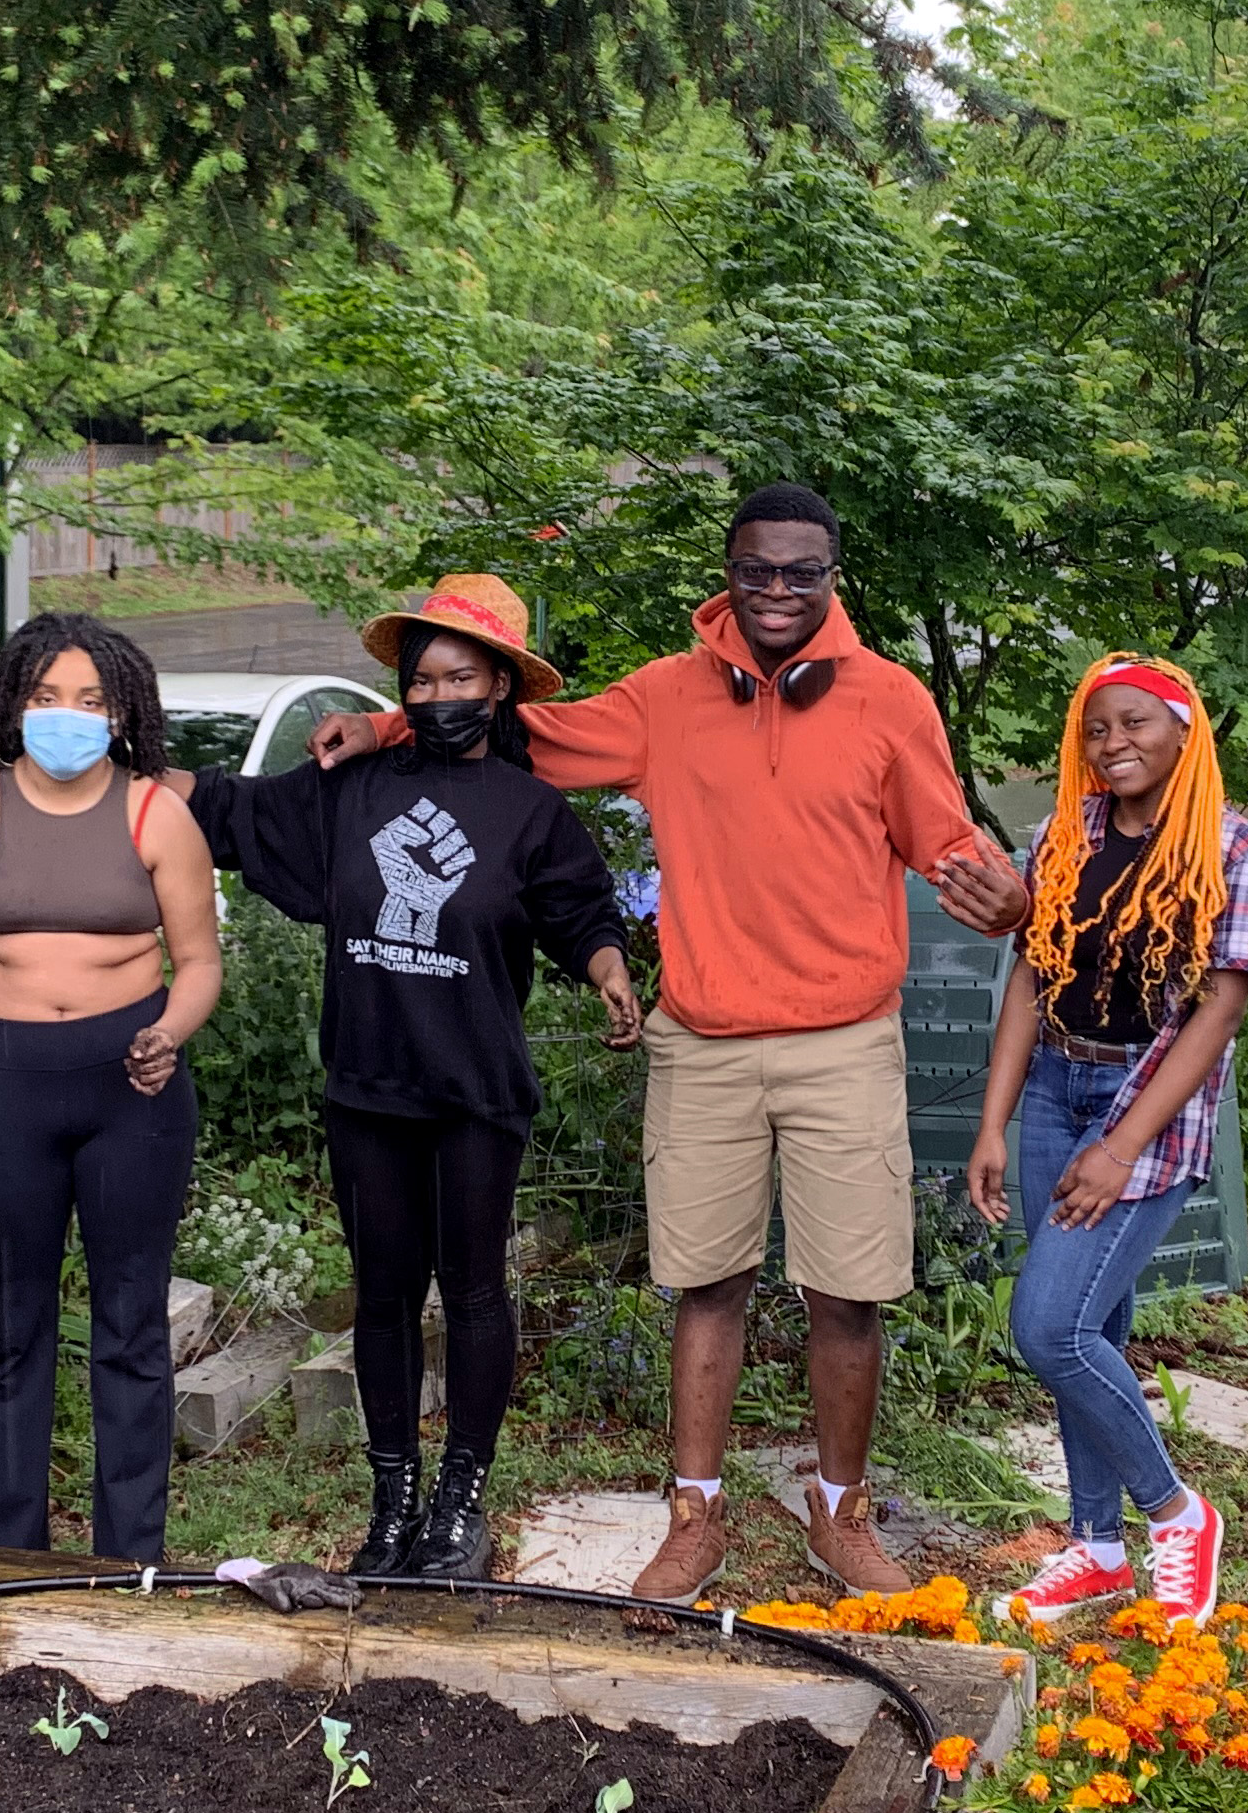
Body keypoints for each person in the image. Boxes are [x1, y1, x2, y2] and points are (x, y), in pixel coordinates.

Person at [318, 484, 1029, 1601]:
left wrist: (1006, 897)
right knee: (708, 1285)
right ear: (730, 576)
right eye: (759, 571)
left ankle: (840, 1514)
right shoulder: (664, 698)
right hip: (701, 1039)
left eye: (804, 572)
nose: (780, 591)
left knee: (850, 1294)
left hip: (845, 1039)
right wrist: (388, 726)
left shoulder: (892, 703)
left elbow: (947, 844)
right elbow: (520, 734)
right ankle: (693, 1512)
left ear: (833, 576)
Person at [170, 575, 641, 1578]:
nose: (438, 698)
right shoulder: (348, 792)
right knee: (381, 1297)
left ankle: (460, 1502)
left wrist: (609, 976)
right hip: (369, 1089)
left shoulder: (528, 812)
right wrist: (95, 765)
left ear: (501, 687)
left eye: (459, 677)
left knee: (471, 1292)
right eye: (420, 681)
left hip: (474, 1094)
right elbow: (222, 809)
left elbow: (583, 916)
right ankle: (392, 1503)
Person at [967, 656, 1248, 1633]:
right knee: (1088, 1335)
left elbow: (1216, 1015)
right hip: (1056, 1086)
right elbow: (1028, 978)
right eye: (1098, 728)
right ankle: (1098, 1550)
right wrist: (993, 1121)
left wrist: (1120, 1150)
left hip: (1148, 1101)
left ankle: (1177, 1516)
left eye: (1136, 722)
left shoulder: (1235, 851)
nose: (1115, 743)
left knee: (1047, 1330)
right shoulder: (1062, 835)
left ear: (1184, 732)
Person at [0, 613, 224, 1567]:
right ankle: (2, 1556)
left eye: (90, 701)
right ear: (13, 703)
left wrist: (165, 1035)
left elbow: (200, 960)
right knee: (12, 1325)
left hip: (132, 1086)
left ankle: (131, 1556)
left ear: (124, 711)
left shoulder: (154, 813)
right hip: (4, 1084)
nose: (67, 718)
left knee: (131, 1324)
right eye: (47, 697)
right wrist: (12, 1049)